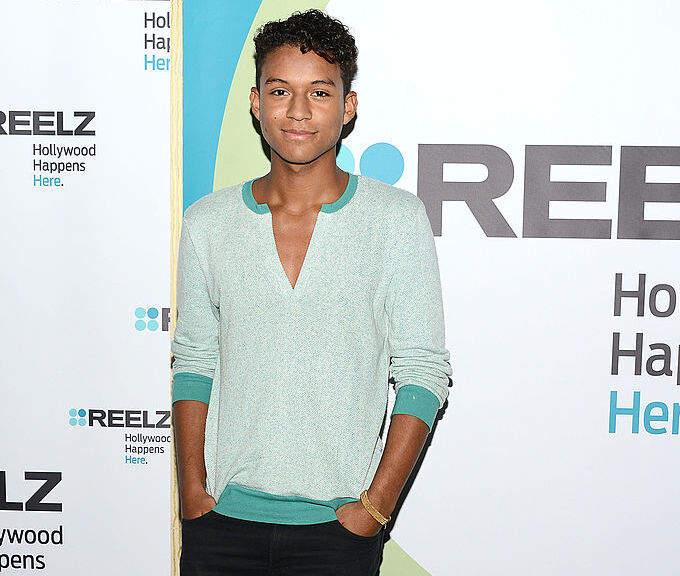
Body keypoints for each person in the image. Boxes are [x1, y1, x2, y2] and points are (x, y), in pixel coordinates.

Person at [171, 9, 452, 576]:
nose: (297, 111)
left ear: (347, 107)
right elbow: (194, 363)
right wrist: (193, 496)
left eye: (319, 92)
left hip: (337, 533)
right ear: (255, 102)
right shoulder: (208, 223)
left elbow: (423, 371)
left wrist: (372, 511)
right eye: (280, 91)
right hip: (220, 526)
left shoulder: (395, 221)